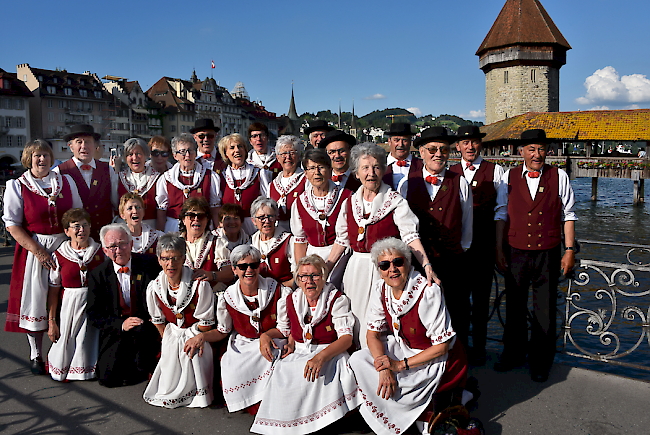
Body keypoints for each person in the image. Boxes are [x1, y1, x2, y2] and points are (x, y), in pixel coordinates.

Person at [348, 238, 468, 435]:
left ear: (408, 263)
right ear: (379, 269)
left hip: (431, 356)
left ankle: (401, 418)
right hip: (403, 346)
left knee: (403, 382)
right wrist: (383, 366)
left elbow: (442, 347)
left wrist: (398, 365)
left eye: (398, 262)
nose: (392, 269)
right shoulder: (381, 288)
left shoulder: (428, 292)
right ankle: (382, 415)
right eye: (384, 265)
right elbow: (373, 334)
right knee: (358, 358)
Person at [326, 143, 436, 348]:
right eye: (365, 168)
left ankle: (380, 364)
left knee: (379, 323)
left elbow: (410, 236)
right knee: (356, 318)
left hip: (385, 271)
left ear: (384, 170)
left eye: (376, 167)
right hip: (356, 271)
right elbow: (341, 240)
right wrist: (326, 268)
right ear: (356, 173)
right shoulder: (349, 203)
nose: (371, 173)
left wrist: (427, 265)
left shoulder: (395, 201)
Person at [494, 128, 577, 382]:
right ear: (522, 152)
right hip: (515, 250)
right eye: (531, 149)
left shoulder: (559, 176)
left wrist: (569, 250)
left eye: (541, 149)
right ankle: (514, 354)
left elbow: (569, 215)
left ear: (547, 151)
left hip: (548, 252)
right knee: (515, 306)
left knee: (545, 309)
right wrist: (498, 248)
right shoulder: (508, 177)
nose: (537, 154)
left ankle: (541, 361)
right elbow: (500, 214)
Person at [251, 255, 360, 435]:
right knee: (283, 370)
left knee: (322, 370)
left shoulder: (336, 299)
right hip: (300, 351)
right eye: (303, 276)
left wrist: (321, 357)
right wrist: (265, 335)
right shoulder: (290, 300)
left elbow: (346, 338)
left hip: (329, 351)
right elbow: (283, 331)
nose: (309, 281)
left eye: (314, 275)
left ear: (323, 277)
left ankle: (319, 423)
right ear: (298, 280)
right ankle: (291, 423)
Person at [3, 139, 83, 374]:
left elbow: (77, 213)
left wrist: (75, 242)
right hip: (36, 247)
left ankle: (66, 350)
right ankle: (36, 353)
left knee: (69, 297)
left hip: (65, 244)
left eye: (45, 155)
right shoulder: (17, 186)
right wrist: (38, 252)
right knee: (36, 299)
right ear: (28, 159)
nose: (41, 160)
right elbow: (12, 225)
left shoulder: (65, 181)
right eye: (36, 156)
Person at [184, 245, 292, 413]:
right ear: (234, 270)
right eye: (242, 266)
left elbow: (285, 329)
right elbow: (222, 331)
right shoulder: (228, 297)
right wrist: (202, 337)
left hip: (274, 339)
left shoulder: (277, 290)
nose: (249, 270)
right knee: (231, 365)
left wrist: (265, 335)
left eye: (253, 265)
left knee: (274, 358)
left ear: (259, 267)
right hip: (244, 343)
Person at [398, 127, 473, 348]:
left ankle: (458, 370)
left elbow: (467, 224)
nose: (438, 154)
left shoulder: (460, 182)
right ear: (421, 152)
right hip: (418, 264)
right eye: (432, 149)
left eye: (443, 149)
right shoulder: (406, 184)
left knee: (457, 315)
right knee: (419, 315)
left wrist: (460, 251)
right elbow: (403, 226)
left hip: (452, 261)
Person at [448, 125, 505, 365]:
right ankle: (458, 350)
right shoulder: (449, 172)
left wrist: (499, 247)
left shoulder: (496, 171)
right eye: (465, 142)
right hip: (457, 252)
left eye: (474, 142)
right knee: (457, 303)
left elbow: (501, 211)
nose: (470, 146)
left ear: (480, 144)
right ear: (458, 146)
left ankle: (479, 349)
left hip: (483, 249)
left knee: (482, 302)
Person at [143, 234, 215, 408]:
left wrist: (191, 338)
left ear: (183, 258)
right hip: (172, 333)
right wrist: (168, 340)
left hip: (196, 333)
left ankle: (198, 392)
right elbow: (158, 320)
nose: (170, 264)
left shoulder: (199, 285)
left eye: (175, 258)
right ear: (159, 260)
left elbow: (206, 323)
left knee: (193, 353)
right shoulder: (154, 287)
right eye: (166, 259)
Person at [86, 223, 161, 387]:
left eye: (122, 244)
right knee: (107, 378)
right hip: (116, 328)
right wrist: (121, 325)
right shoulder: (97, 275)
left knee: (146, 369)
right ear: (105, 250)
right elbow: (93, 314)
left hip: (146, 327)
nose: (118, 250)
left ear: (131, 243)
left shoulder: (149, 264)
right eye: (112, 246)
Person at [46, 208, 104, 381]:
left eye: (85, 225)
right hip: (70, 305)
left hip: (95, 302)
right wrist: (52, 321)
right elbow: (54, 291)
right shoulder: (59, 255)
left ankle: (90, 368)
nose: (82, 230)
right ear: (66, 231)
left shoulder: (100, 251)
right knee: (69, 339)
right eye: (76, 226)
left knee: (90, 338)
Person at [291, 148, 352, 288]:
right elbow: (300, 240)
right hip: (313, 257)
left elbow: (345, 237)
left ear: (330, 170)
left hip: (341, 257)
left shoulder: (346, 197)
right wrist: (303, 272)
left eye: (321, 167)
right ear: (305, 173)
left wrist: (327, 268)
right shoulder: (300, 202)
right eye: (311, 168)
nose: (316, 173)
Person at [55, 124, 112, 240]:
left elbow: (115, 202)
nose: (83, 146)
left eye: (88, 142)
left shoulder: (108, 169)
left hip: (104, 236)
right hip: (75, 239)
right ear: (71, 146)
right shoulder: (59, 172)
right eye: (79, 142)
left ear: (95, 145)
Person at [155, 133, 222, 232]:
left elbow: (215, 209)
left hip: (201, 227)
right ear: (175, 156)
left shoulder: (210, 176)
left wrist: (218, 232)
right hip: (174, 229)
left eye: (190, 151)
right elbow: (161, 212)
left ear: (195, 153)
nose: (187, 155)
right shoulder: (166, 179)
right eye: (182, 151)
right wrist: (159, 235)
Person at [218, 133, 269, 235]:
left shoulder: (258, 173)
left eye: (240, 146)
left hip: (254, 228)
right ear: (226, 153)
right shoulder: (220, 177)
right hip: (230, 229)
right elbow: (217, 206)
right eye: (232, 148)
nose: (237, 150)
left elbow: (266, 201)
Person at [179, 197, 233, 291]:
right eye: (191, 216)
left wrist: (212, 275)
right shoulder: (175, 244)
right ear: (183, 220)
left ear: (207, 220)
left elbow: (229, 273)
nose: (196, 219)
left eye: (201, 216)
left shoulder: (217, 242)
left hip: (211, 298)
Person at [112, 138, 161, 228]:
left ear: (146, 155)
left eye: (139, 153)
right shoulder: (119, 178)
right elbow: (114, 203)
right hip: (124, 228)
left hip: (150, 228)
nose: (135, 157)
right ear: (125, 158)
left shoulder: (157, 178)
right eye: (130, 154)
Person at [250, 197, 294, 288]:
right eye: (261, 218)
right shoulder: (251, 242)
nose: (267, 221)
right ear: (253, 220)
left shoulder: (288, 241)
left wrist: (278, 289)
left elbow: (298, 276)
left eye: (270, 216)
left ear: (276, 218)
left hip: (284, 292)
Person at [268, 135, 306, 232]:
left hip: (300, 233)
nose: (288, 157)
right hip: (278, 234)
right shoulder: (272, 185)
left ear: (298, 156)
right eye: (284, 153)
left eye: (292, 153)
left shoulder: (305, 179)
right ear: (277, 157)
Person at [119, 192, 163, 260]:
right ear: (122, 215)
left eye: (138, 207)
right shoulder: (118, 238)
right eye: (130, 208)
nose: (135, 211)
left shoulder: (157, 237)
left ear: (143, 212)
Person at [382, 122, 420, 190]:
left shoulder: (422, 166)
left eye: (404, 140)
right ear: (389, 141)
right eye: (396, 140)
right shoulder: (380, 165)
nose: (400, 144)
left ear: (410, 142)